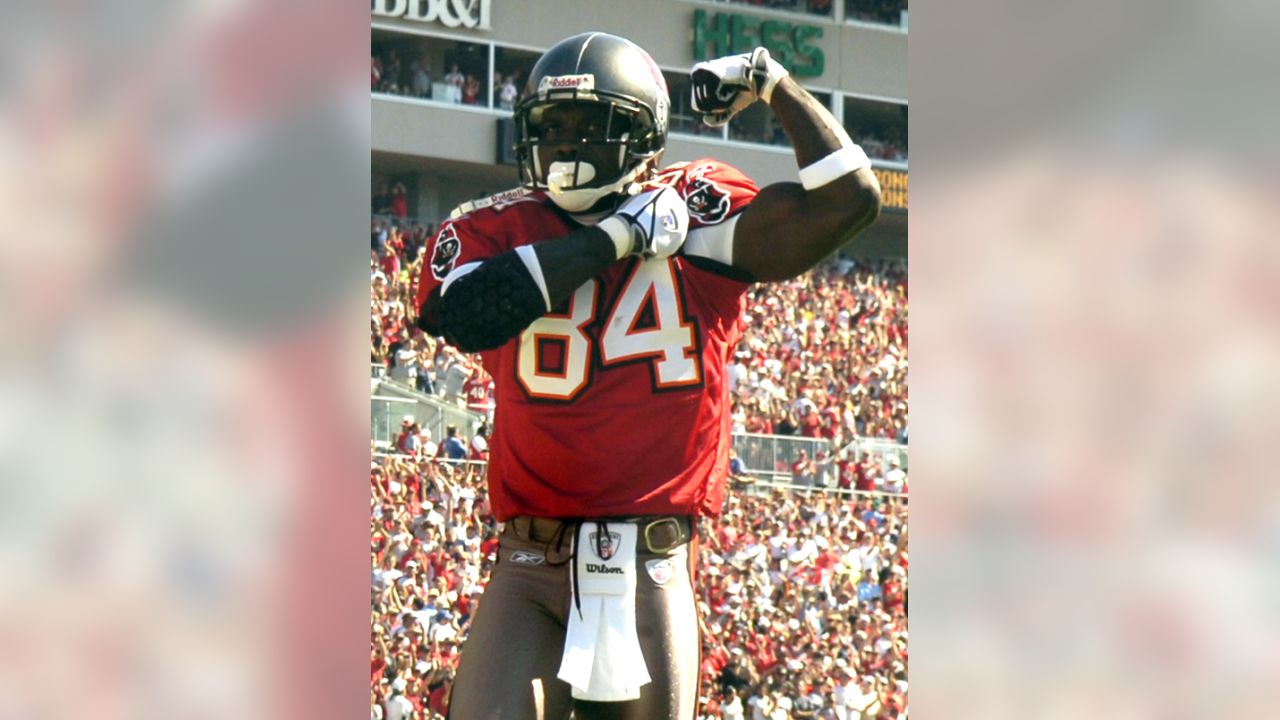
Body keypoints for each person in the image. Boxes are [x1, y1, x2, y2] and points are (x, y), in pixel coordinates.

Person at [414, 31, 880, 720]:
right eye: (553, 124)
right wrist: (614, 239)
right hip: (528, 563)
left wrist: (775, 82)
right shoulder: (497, 226)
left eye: (590, 125)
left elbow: (849, 200)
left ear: (641, 137)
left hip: (649, 565)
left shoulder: (694, 205)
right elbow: (468, 313)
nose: (567, 143)